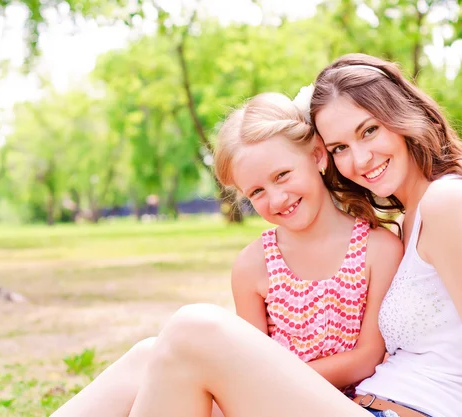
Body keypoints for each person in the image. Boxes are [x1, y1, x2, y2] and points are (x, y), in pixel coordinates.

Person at [53, 53, 462, 417]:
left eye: (369, 130)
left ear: (403, 116)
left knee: (195, 328)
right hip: (362, 406)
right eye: (342, 146)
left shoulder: (448, 203)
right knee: (151, 356)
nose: (360, 160)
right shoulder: (412, 219)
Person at [50, 91, 402, 417]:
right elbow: (248, 356)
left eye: (282, 175)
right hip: (262, 402)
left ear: (316, 155)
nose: (277, 199)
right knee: (148, 353)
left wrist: (253, 382)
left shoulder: (378, 249)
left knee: (179, 344)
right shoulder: (254, 266)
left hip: (330, 404)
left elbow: (367, 358)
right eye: (257, 191)